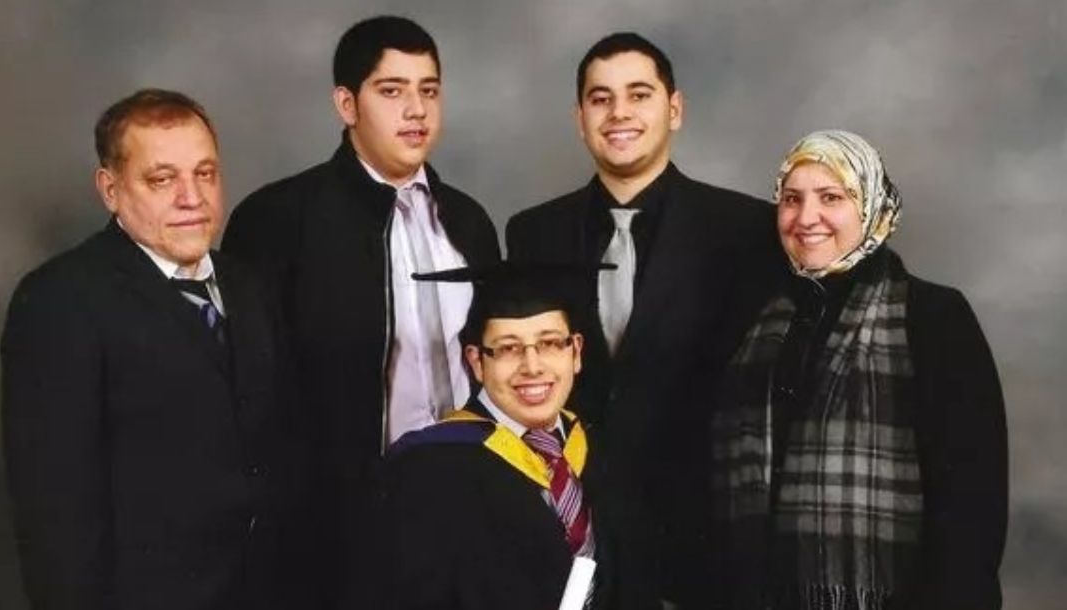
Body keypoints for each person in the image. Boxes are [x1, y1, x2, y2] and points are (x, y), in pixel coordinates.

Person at [221, 15, 500, 607]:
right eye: (392, 91)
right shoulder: (278, 220)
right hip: (341, 523)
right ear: (346, 104)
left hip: (465, 504)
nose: (416, 110)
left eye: (429, 90)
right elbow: (249, 392)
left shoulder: (470, 221)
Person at [505, 32, 777, 605]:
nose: (619, 112)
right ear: (580, 118)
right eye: (600, 99)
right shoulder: (532, 232)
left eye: (638, 94)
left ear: (673, 109)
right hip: (576, 527)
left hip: (708, 531)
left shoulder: (748, 231)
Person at [1, 89, 297, 609]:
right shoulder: (59, 301)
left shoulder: (249, 285)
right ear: (110, 189)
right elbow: (55, 514)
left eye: (205, 173)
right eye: (162, 179)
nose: (192, 197)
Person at [708, 130, 1008, 609]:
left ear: (871, 207)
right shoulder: (755, 321)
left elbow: (971, 510)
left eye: (831, 197)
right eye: (791, 199)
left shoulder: (932, 316)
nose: (807, 218)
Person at [376, 262, 635, 610]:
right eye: (508, 348)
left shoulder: (603, 450)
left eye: (549, 343)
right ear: (477, 362)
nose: (532, 366)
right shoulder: (426, 469)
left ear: (575, 352)